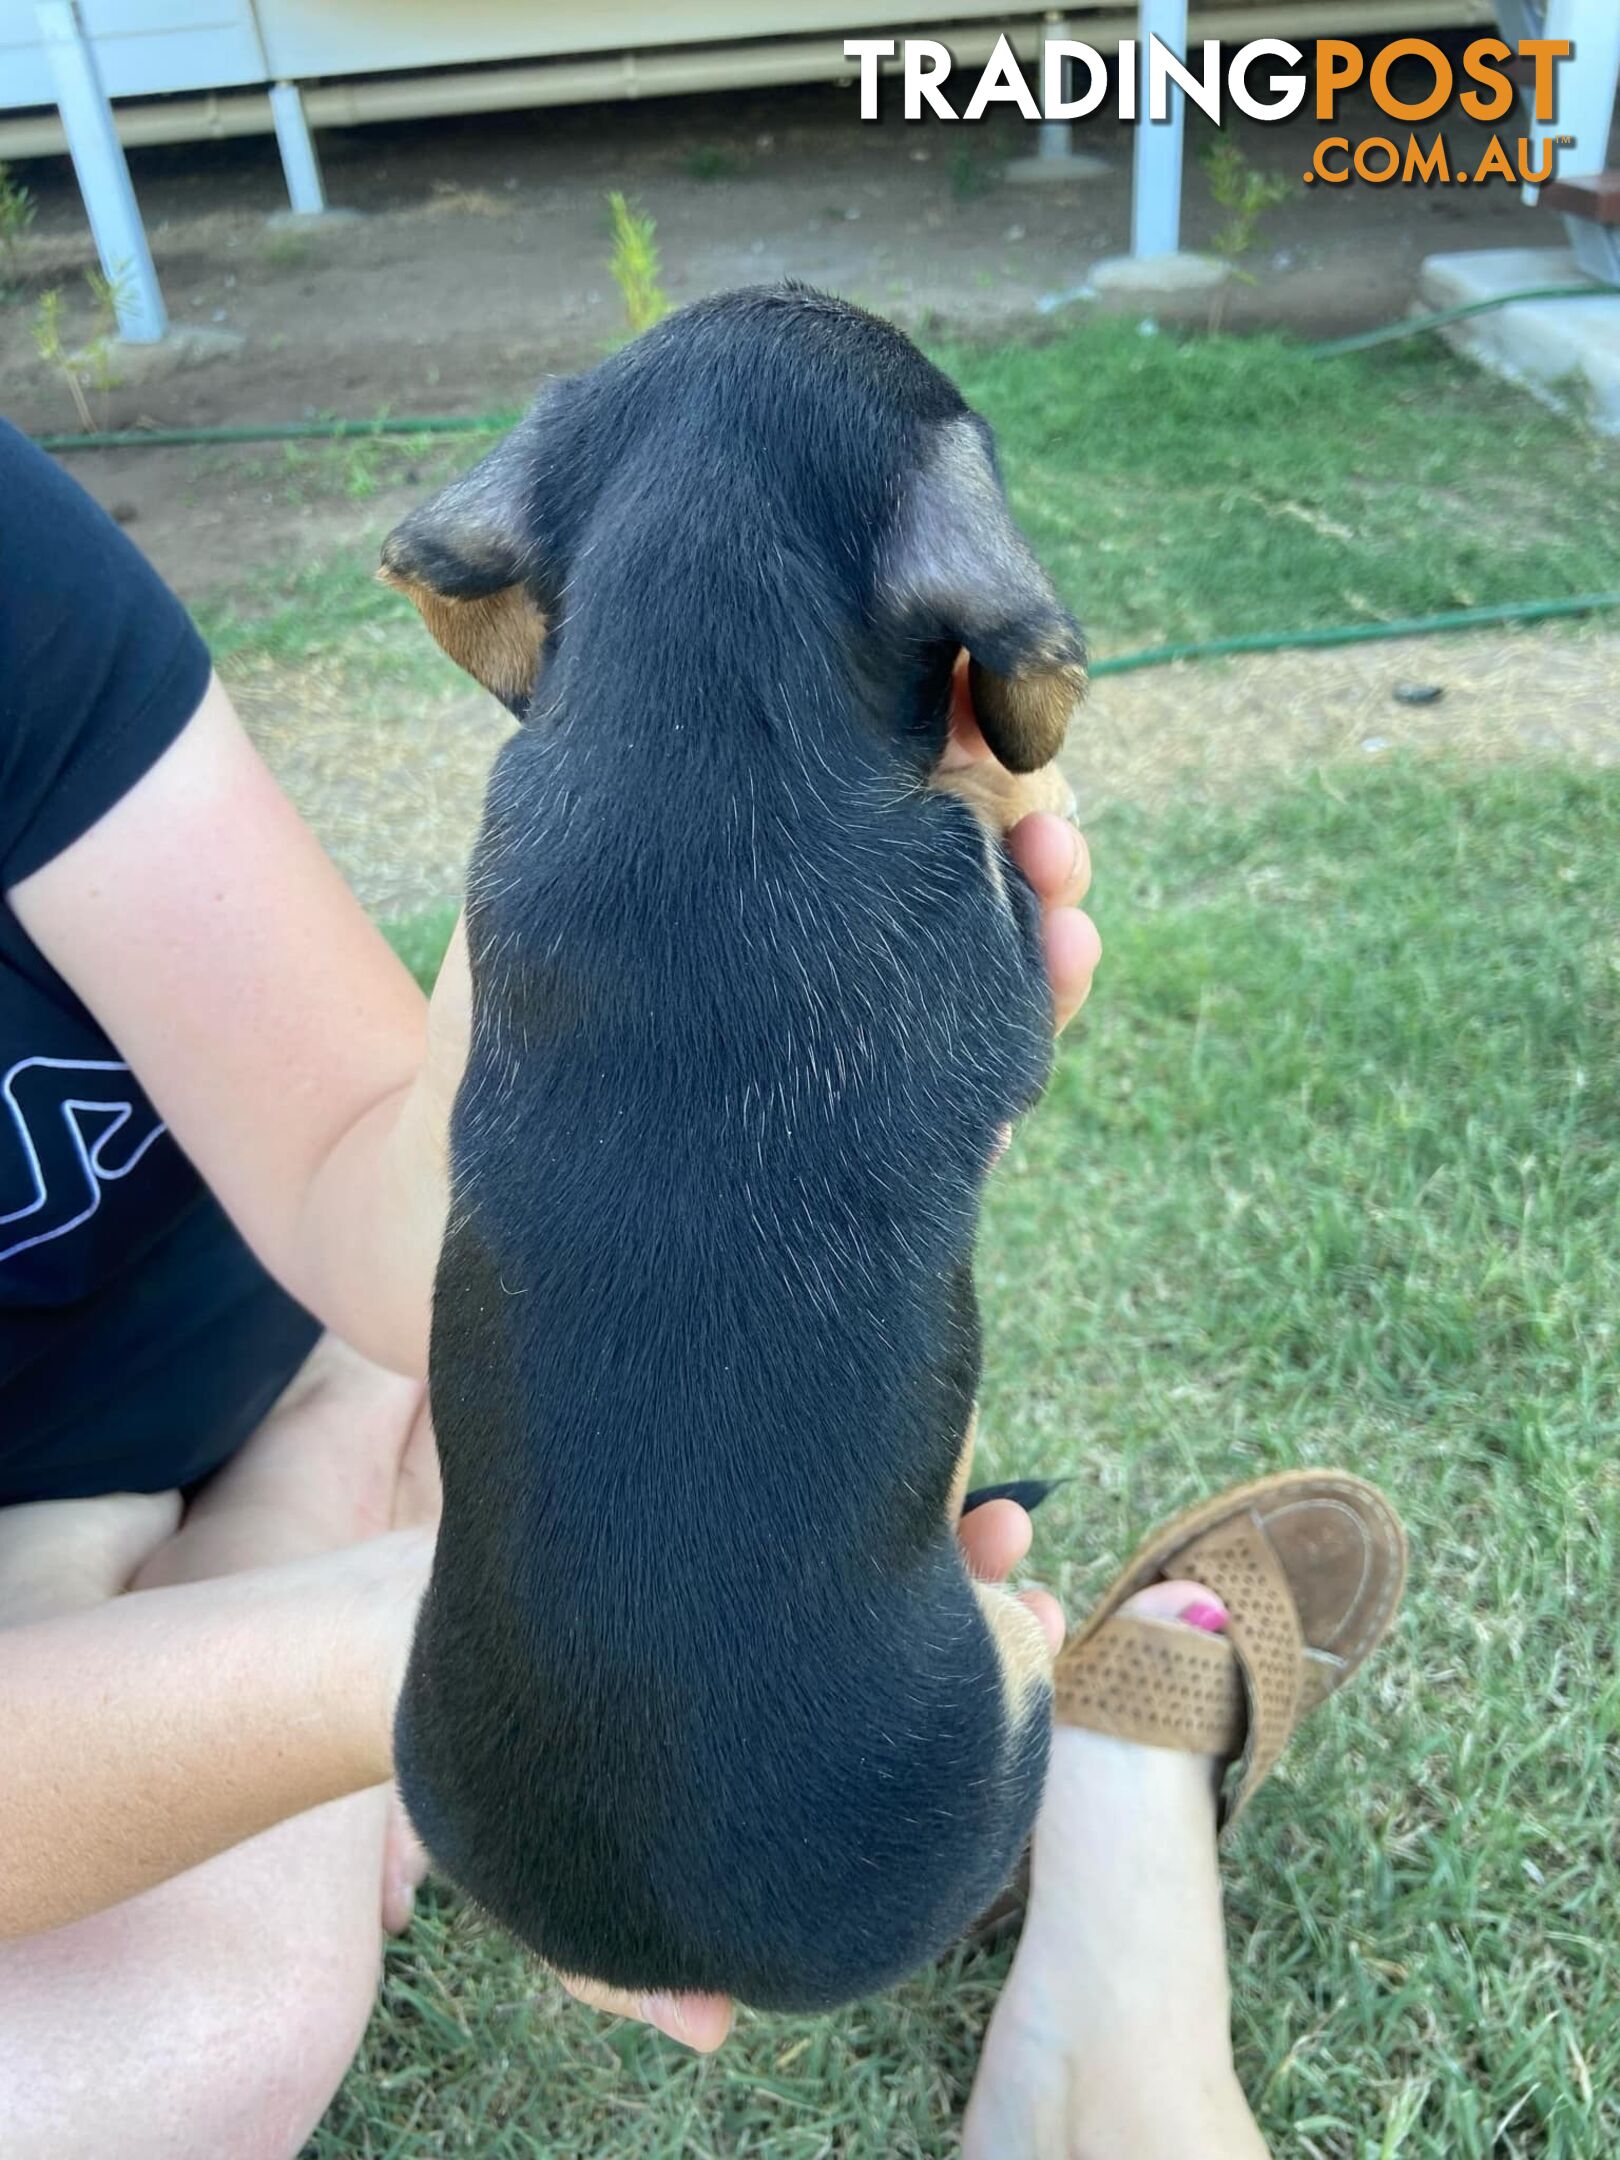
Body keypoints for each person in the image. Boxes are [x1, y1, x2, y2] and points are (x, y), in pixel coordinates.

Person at [0, 419, 1374, 2160]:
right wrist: (470, 1670)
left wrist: (542, 1050)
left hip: (215, 1351)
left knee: (188, 2029)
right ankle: (340, 1489)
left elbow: (364, 1169)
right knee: (157, 2061)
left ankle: (314, 1456)